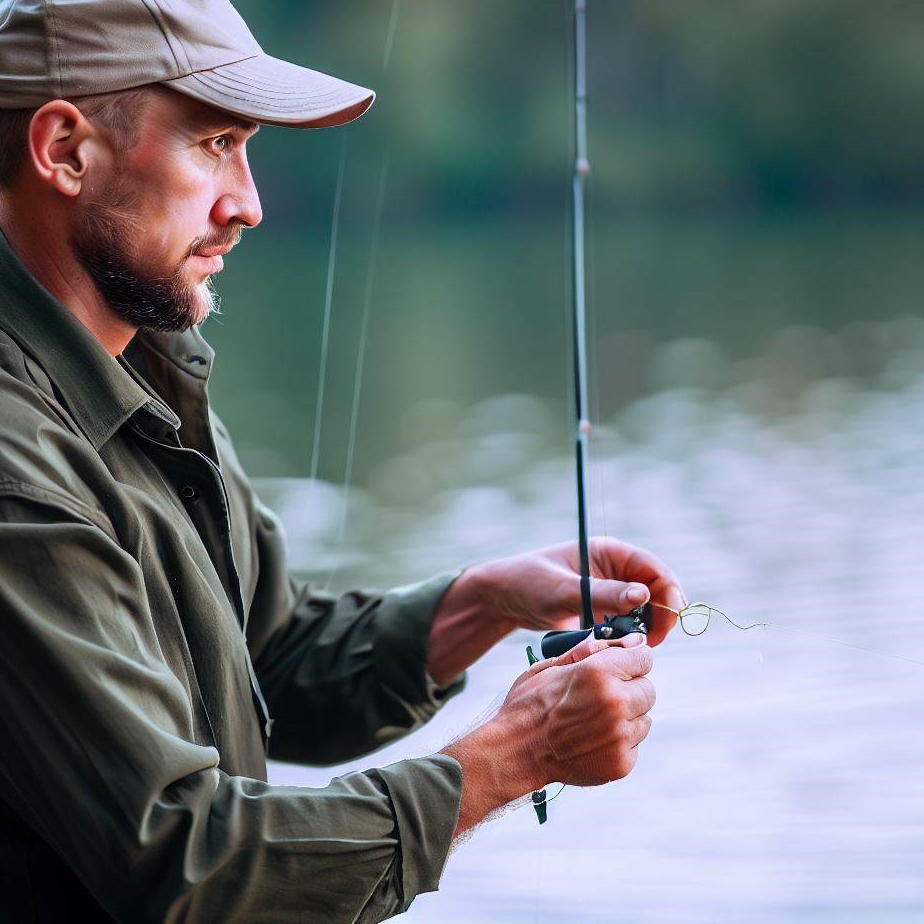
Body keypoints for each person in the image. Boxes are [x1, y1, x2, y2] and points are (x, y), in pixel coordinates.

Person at [0, 0, 685, 921]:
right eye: (214, 144)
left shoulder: (145, 365)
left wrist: (482, 601)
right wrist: (522, 749)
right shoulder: (14, 455)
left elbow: (270, 658)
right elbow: (185, 856)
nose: (248, 202)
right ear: (65, 151)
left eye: (246, 149)